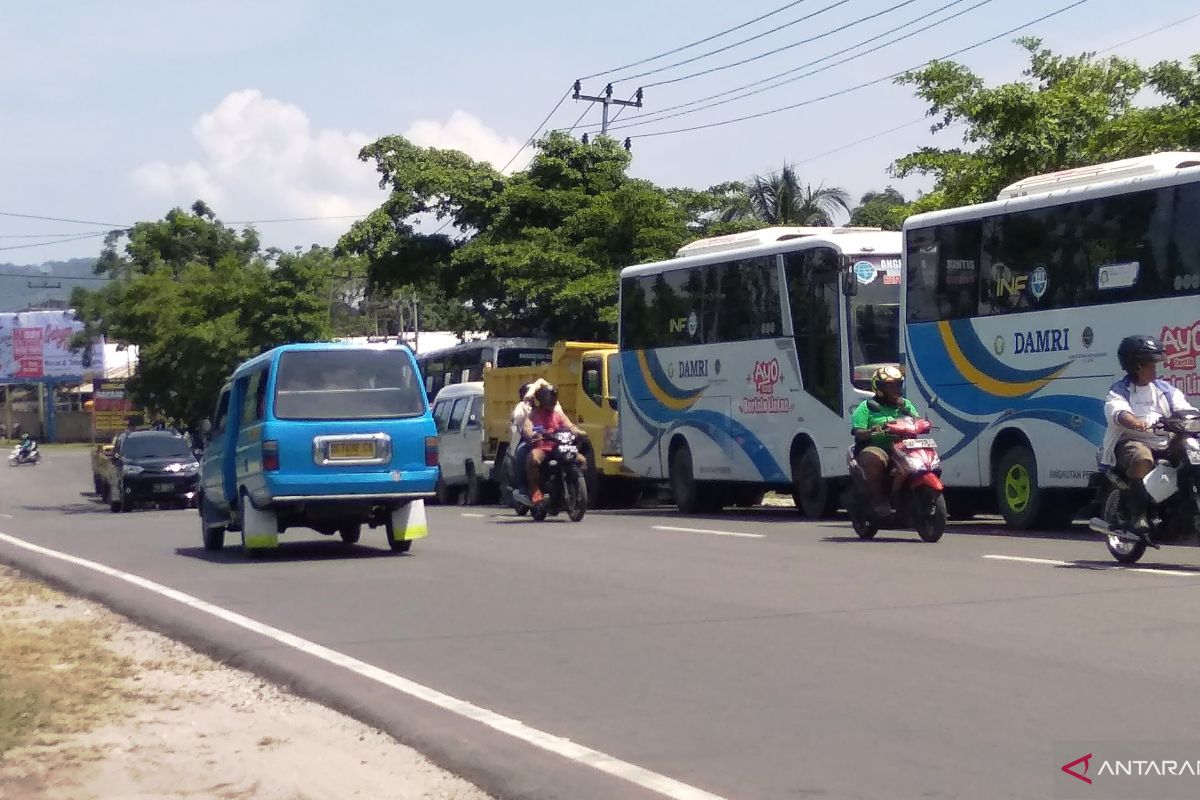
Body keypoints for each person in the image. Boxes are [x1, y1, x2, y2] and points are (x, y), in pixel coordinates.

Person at [1100, 335, 1196, 535]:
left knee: (1192, 452)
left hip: (1165, 440)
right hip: (1131, 441)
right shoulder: (1120, 390)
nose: (1154, 369)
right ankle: (1139, 515)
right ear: (1135, 366)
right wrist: (1136, 422)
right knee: (1142, 457)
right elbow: (1118, 413)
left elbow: (1184, 409)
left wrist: (1192, 419)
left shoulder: (1164, 389)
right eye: (1149, 364)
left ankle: (1184, 503)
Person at [850, 365, 920, 518]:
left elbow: (917, 421)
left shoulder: (905, 404)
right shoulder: (866, 407)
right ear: (879, 387)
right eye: (890, 386)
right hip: (877, 447)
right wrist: (873, 430)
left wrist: (907, 412)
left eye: (897, 385)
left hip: (902, 447)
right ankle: (879, 501)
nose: (895, 389)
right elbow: (858, 431)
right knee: (874, 459)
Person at [521, 384, 586, 506]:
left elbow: (570, 426)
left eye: (553, 397)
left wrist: (579, 432)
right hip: (542, 448)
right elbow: (527, 428)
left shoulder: (558, 414)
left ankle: (575, 487)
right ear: (541, 399)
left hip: (559, 447)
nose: (551, 399)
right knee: (533, 459)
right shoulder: (533, 414)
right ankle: (535, 490)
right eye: (548, 397)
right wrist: (532, 434)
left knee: (582, 460)